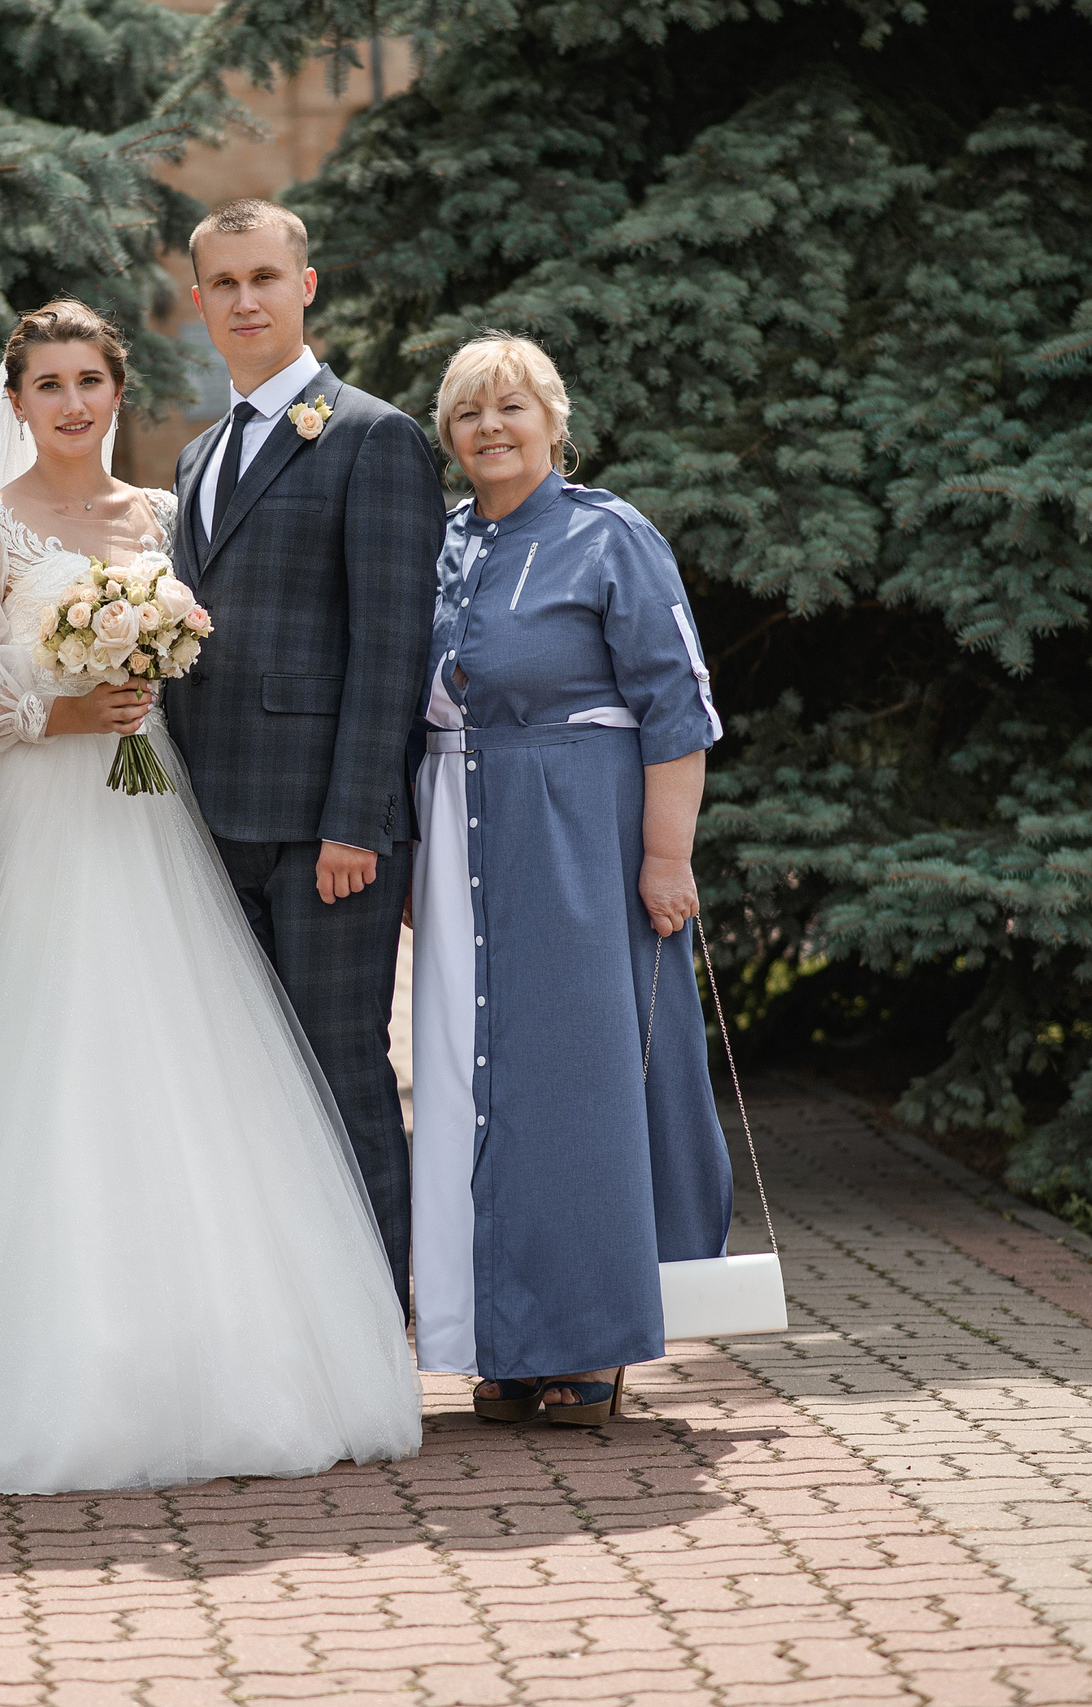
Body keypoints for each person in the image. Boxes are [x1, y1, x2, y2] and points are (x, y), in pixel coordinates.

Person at [0, 301, 422, 1495]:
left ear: (116, 392)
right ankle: (23, 1370)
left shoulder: (167, 519)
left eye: (90, 380)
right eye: (48, 384)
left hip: (150, 822)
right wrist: (55, 709)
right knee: (31, 1073)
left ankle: (198, 1357)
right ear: (14, 401)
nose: (72, 402)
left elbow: (206, 679)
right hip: (27, 834)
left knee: (173, 1074)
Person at [408, 334, 734, 1427]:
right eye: (466, 414)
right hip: (462, 831)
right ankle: (499, 1343)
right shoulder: (443, 544)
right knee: (474, 1083)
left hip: (579, 836)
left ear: (553, 420)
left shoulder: (610, 535)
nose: (489, 429)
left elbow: (675, 710)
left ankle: (588, 1344)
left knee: (579, 1086)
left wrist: (664, 856)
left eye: (510, 408)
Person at [163, 199, 444, 1307]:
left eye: (264, 279)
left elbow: (391, 648)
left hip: (323, 834)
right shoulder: (195, 454)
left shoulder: (374, 437)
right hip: (208, 821)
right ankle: (280, 1315)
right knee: (244, 1080)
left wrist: (354, 820)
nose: (244, 301)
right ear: (198, 303)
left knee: (340, 1071)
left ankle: (379, 1313)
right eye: (223, 284)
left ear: (306, 287)